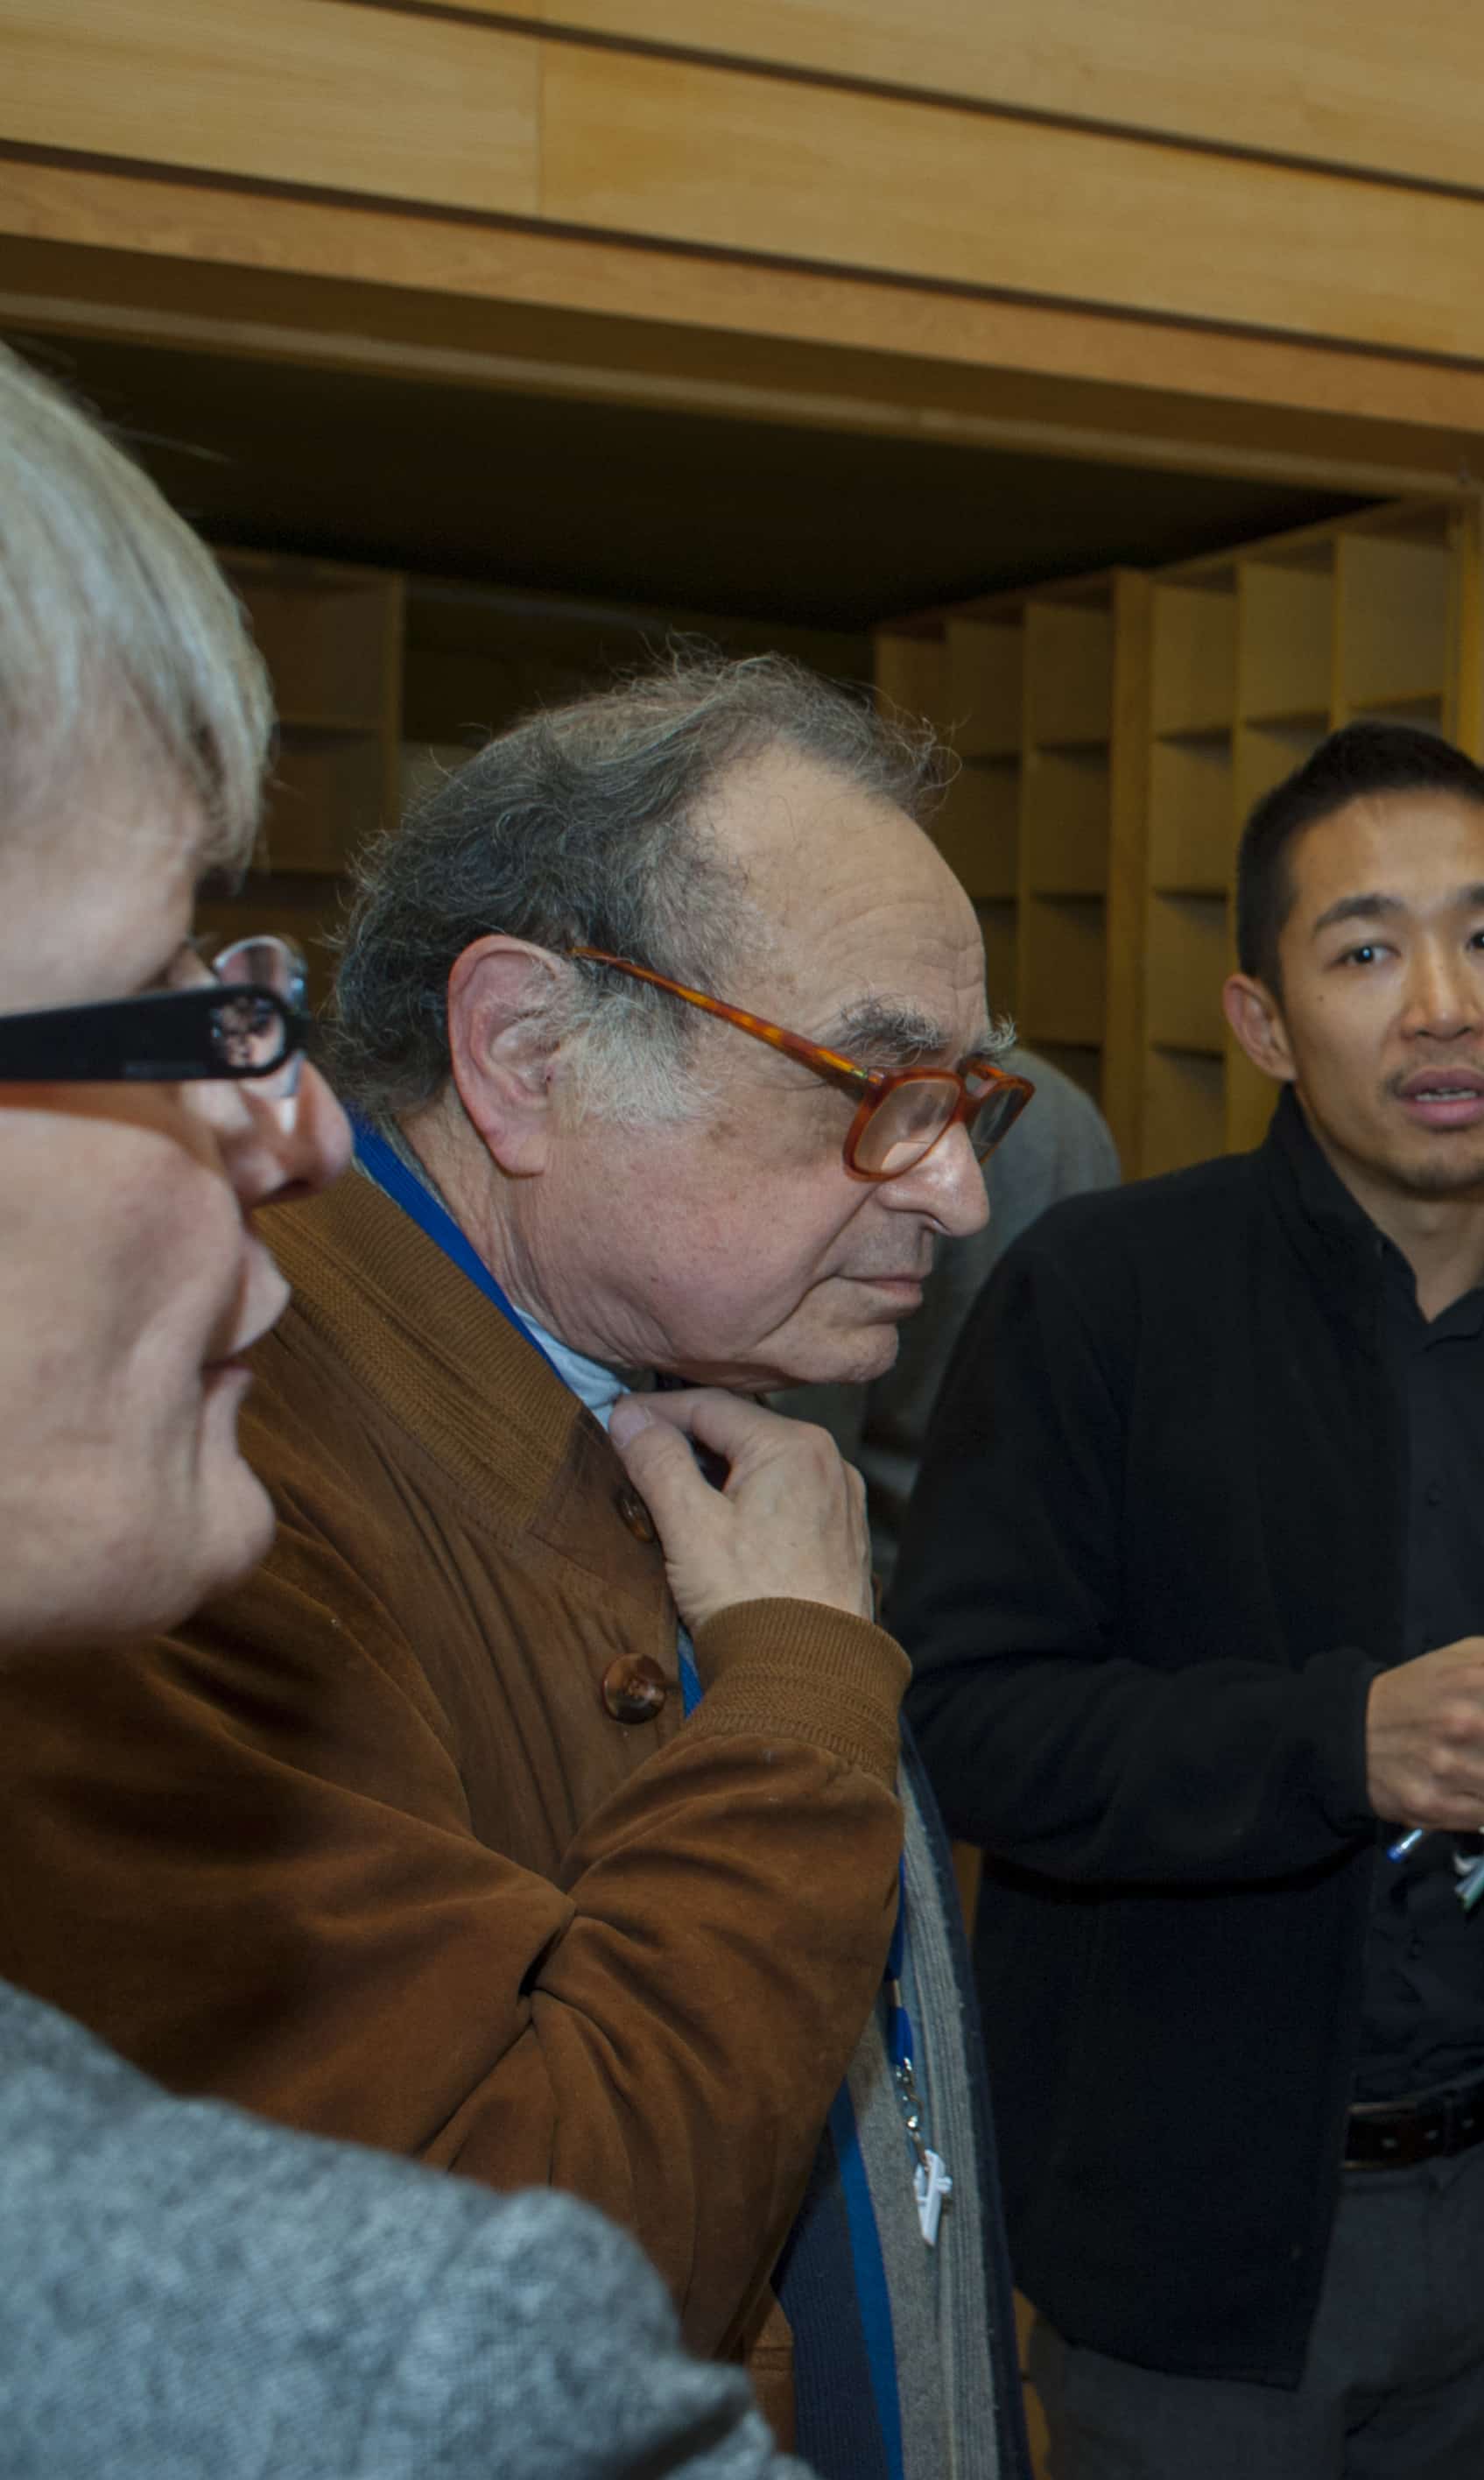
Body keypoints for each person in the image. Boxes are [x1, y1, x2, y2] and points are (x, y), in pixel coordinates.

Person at [0, 651, 1033, 2479]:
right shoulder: (195, 1493)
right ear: (527, 1059)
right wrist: (795, 1678)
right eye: (873, 1085)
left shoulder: (687, 1385)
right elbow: (521, 2299)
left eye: (971, 1099)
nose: (956, 1191)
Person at [0, 340, 799, 2471]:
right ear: (525, 1059)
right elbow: (560, 2191)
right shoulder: (383, 2368)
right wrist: (805, 1686)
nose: (298, 1131)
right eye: (170, 973)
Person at [891, 720, 1484, 2480]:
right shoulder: (1106, 1298)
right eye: (1365, 950)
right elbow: (961, 1722)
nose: (1441, 1004)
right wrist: (1337, 1739)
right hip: (1187, 2253)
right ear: (1263, 1023)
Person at [771, 1043, 1116, 1597]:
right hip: (1042, 1579)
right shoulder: (1067, 1107)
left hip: (877, 1584)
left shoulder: (861, 1103)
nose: (965, 1205)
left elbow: (802, 1458)